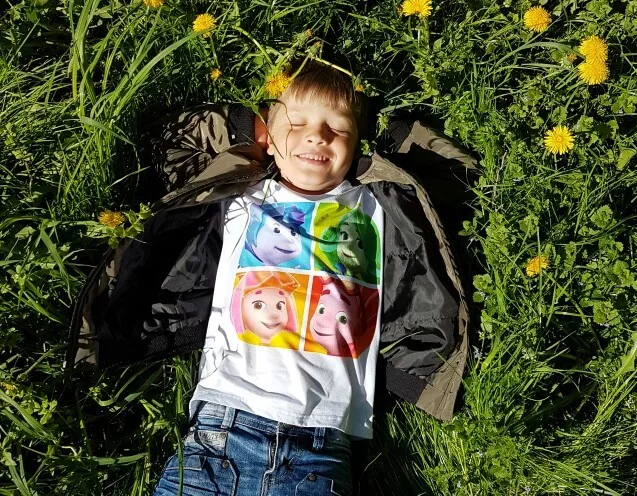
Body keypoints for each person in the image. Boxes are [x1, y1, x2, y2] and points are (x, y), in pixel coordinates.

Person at [66, 59, 471, 495]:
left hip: (321, 450)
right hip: (218, 431)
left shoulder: (375, 203)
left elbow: (459, 174)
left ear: (357, 143)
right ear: (269, 141)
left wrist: (387, 132)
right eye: (296, 123)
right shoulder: (243, 195)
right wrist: (249, 126)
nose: (317, 135)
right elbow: (170, 140)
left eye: (338, 127)